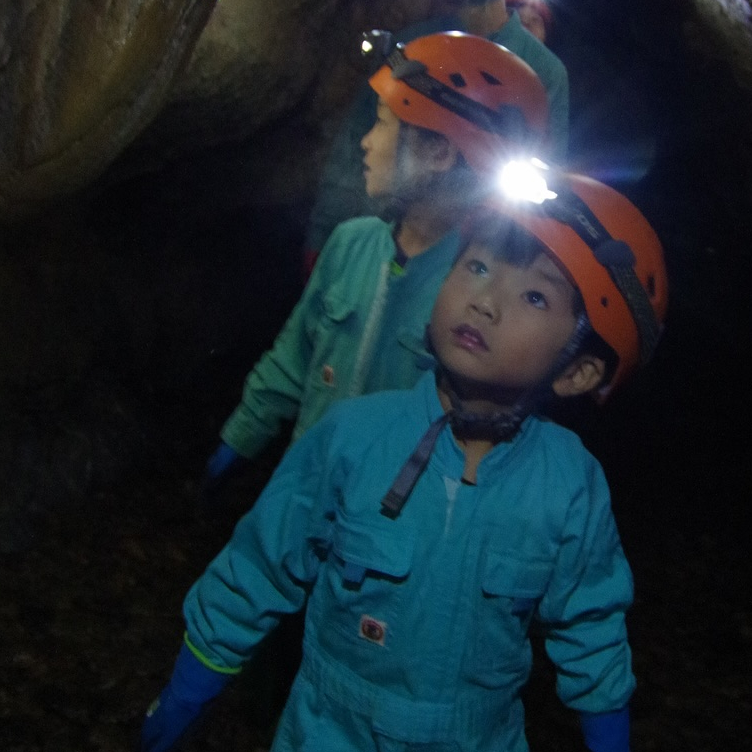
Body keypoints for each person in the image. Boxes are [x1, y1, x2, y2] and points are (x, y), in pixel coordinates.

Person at [140, 171, 668, 752]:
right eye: (476, 266)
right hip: (339, 735)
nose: (485, 296)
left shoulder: (570, 485)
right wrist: (194, 678)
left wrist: (606, 728)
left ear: (581, 369)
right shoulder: (355, 438)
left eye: (535, 295)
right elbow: (259, 566)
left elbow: (589, 612)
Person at [204, 30, 551, 496]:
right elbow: (294, 358)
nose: (366, 143)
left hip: (387, 526)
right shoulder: (351, 244)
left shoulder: (474, 294)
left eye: (383, 123)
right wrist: (242, 437)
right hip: (305, 493)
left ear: (438, 152)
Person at [303, 0, 569, 255]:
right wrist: (323, 238)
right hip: (385, 242)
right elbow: (358, 139)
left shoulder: (543, 70)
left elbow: (545, 177)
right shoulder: (412, 45)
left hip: (476, 254)